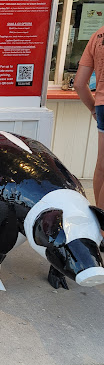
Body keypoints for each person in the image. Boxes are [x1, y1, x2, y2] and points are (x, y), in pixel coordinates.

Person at [74, 25, 104, 226]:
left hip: (102, 105)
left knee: (101, 167)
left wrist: (94, 108)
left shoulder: (97, 35)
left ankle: (99, 223)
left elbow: (79, 83)